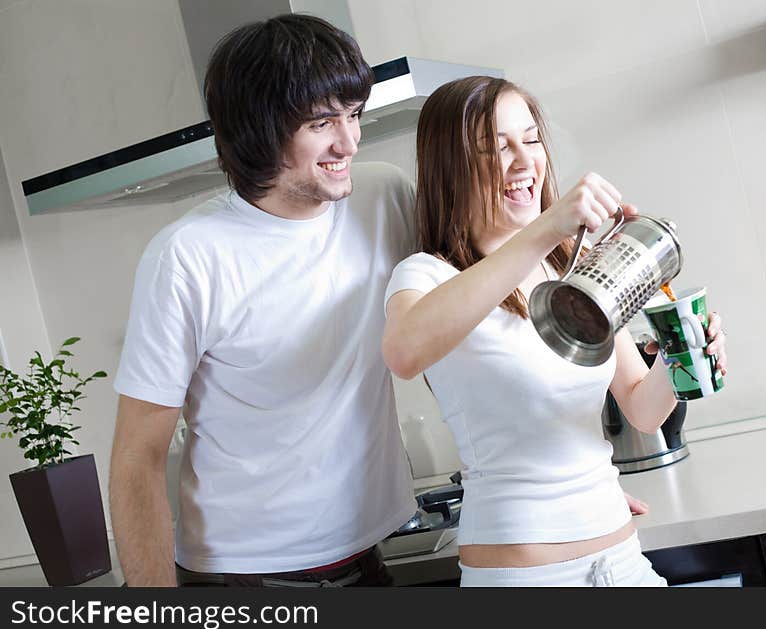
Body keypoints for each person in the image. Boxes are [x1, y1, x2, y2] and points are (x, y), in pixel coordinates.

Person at [108, 14, 419, 587]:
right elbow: (137, 458)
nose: (349, 140)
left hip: (368, 564)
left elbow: (476, 306)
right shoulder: (188, 256)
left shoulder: (385, 197)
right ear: (260, 130)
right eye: (323, 121)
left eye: (353, 114)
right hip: (246, 582)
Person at [382, 76, 728, 587]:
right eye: (495, 147)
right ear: (450, 169)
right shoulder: (429, 274)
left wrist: (680, 355)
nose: (524, 161)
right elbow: (404, 353)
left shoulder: (573, 264)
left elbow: (642, 407)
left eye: (531, 138)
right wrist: (547, 227)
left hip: (624, 562)